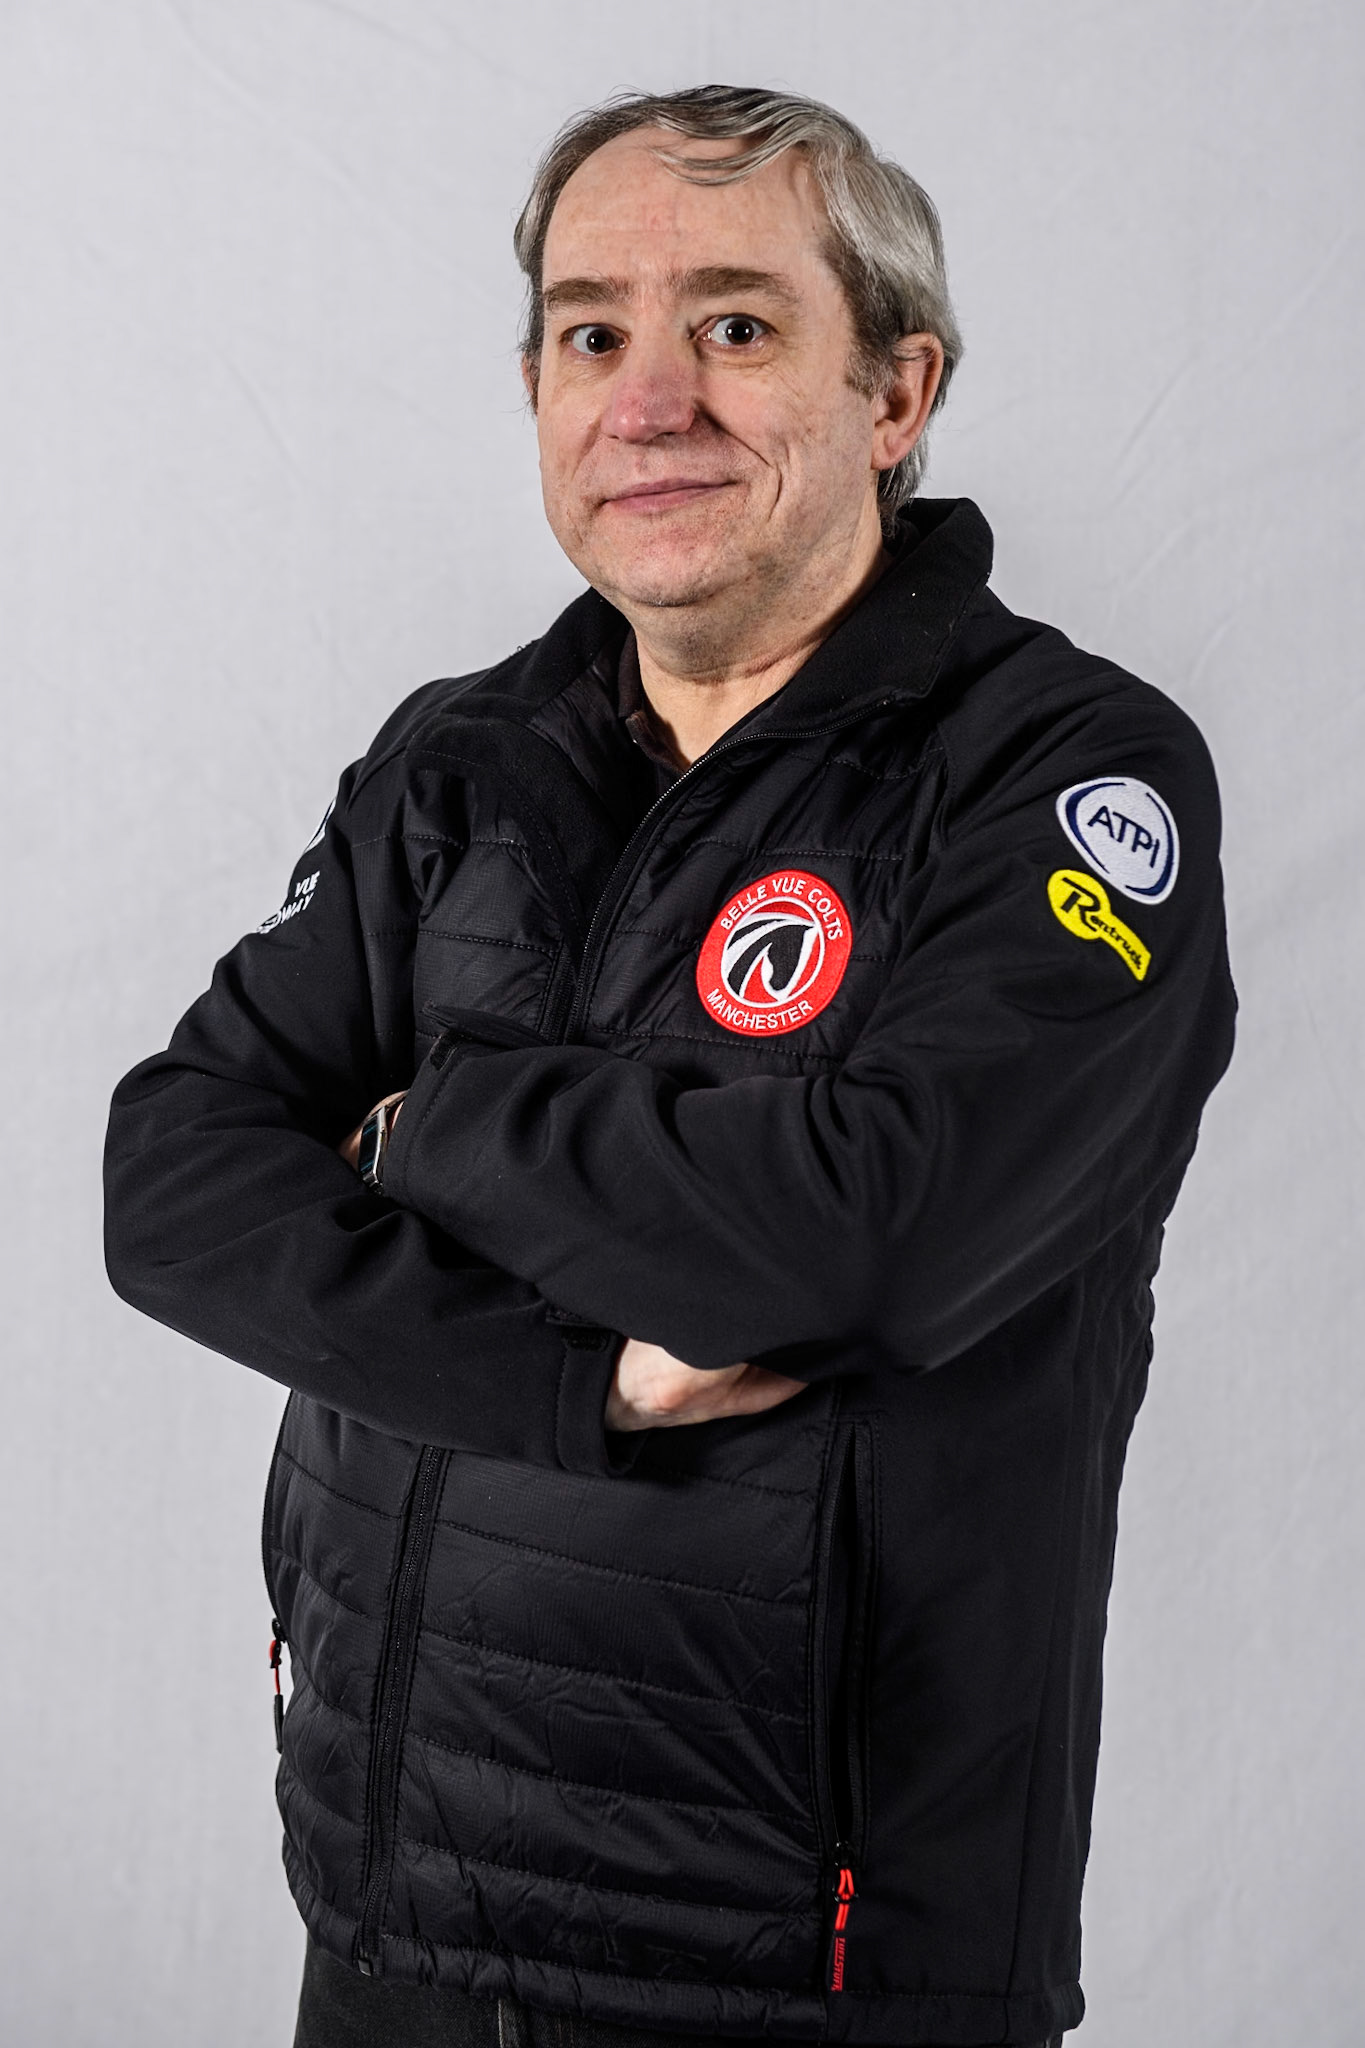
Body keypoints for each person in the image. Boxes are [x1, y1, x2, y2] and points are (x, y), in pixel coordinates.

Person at [103, 84, 1236, 2048]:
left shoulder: (1060, 776)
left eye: (732, 326)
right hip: (387, 1920)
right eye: (586, 333)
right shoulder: (461, 763)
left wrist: (417, 1121)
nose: (647, 398)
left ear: (893, 391)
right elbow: (175, 1178)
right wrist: (577, 1374)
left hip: (801, 1964)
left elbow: (868, 1230)